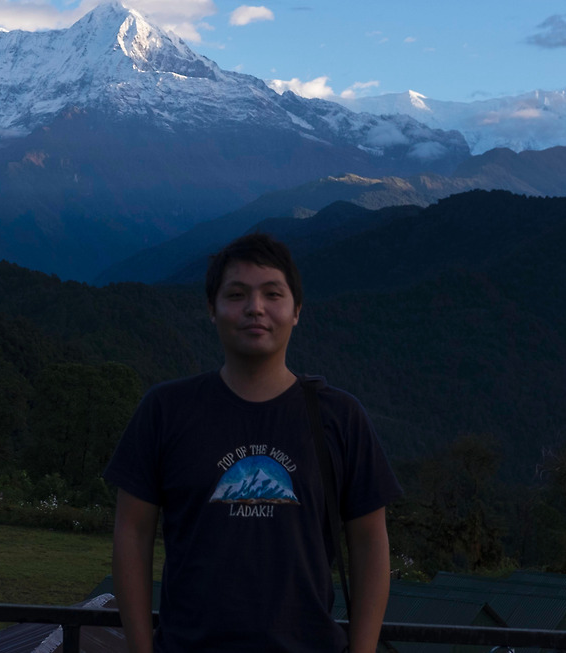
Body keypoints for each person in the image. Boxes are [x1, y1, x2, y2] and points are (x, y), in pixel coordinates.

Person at [105, 233, 401, 653]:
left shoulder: (339, 417)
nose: (255, 308)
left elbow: (370, 541)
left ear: (296, 310)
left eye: (272, 294)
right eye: (236, 294)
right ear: (212, 309)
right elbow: (131, 532)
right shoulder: (166, 410)